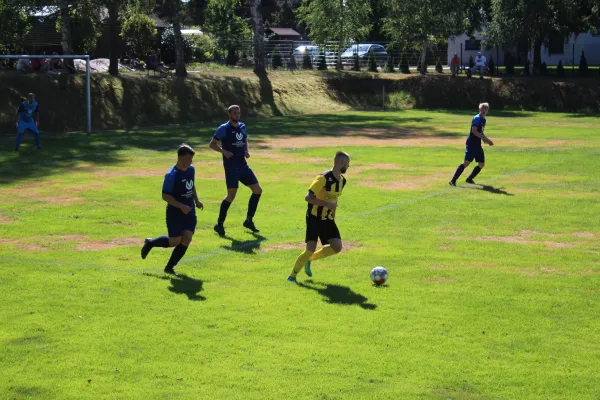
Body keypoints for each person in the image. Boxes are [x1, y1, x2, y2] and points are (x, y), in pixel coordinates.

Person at [141, 144, 204, 275]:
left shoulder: (191, 169)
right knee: (175, 241)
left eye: (192, 159)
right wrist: (181, 206)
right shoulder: (171, 175)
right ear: (180, 157)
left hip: (190, 211)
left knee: (186, 239)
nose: (191, 162)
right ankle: (151, 243)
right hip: (175, 213)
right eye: (188, 159)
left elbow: (191, 186)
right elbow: (165, 196)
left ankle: (169, 267)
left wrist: (196, 200)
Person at [287, 151, 350, 283]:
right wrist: (327, 203)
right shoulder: (323, 178)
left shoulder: (342, 181)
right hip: (314, 218)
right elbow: (308, 197)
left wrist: (333, 213)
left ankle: (310, 260)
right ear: (342, 163)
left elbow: (335, 200)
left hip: (327, 219)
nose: (348, 166)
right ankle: (292, 276)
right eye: (348, 163)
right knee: (310, 249)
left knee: (337, 247)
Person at [209, 105, 263, 236]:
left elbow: (244, 139)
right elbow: (212, 144)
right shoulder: (224, 128)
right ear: (229, 114)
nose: (237, 115)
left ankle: (249, 220)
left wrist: (246, 150)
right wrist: (223, 151)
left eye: (239, 113)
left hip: (243, 165)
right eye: (235, 113)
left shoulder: (242, 126)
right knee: (231, 195)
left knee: (257, 190)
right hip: (231, 167)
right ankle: (219, 224)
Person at [449, 103, 494, 186]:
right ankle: (453, 180)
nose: (484, 111)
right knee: (466, 163)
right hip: (471, 144)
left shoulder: (484, 120)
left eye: (486, 109)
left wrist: (487, 140)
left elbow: (480, 132)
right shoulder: (477, 118)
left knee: (481, 164)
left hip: (477, 145)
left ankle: (469, 179)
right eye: (483, 109)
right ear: (480, 109)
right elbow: (474, 131)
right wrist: (484, 138)